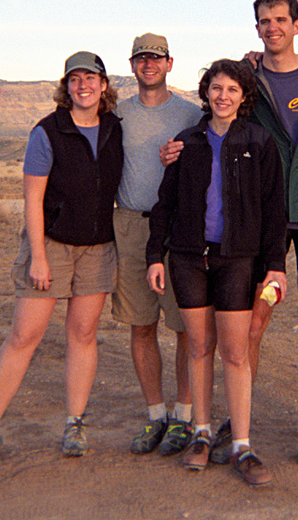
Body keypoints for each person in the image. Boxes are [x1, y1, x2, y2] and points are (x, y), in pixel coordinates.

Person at [160, 0, 298, 466]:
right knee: (251, 323)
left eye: (281, 20)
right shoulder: (250, 78)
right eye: (264, 21)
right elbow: (218, 124)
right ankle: (235, 424)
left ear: (297, 25)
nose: (273, 28)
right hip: (261, 219)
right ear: (257, 27)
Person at [0, 51, 123, 474]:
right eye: (75, 80)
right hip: (50, 244)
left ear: (104, 86)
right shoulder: (47, 132)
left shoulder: (114, 129)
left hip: (98, 247)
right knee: (24, 336)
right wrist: (37, 256)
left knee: (83, 335)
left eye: (90, 78)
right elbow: (32, 199)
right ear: (65, 87)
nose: (83, 86)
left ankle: (75, 423)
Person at [146, 59, 287, 487]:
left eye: (232, 89)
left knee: (236, 352)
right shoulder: (187, 142)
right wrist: (156, 255)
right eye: (216, 88)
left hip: (237, 262)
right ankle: (201, 434)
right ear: (206, 92)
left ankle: (242, 444)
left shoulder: (259, 143)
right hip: (189, 258)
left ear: (244, 97)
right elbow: (164, 203)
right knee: (198, 347)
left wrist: (275, 267)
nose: (222, 96)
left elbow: (275, 212)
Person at [114, 34, 202, 456]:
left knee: (186, 326)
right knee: (141, 323)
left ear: (170, 63)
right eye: (141, 58)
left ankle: (184, 417)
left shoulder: (191, 113)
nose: (148, 64)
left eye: (156, 58)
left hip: (179, 229)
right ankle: (156, 416)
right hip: (132, 226)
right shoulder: (116, 114)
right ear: (132, 66)